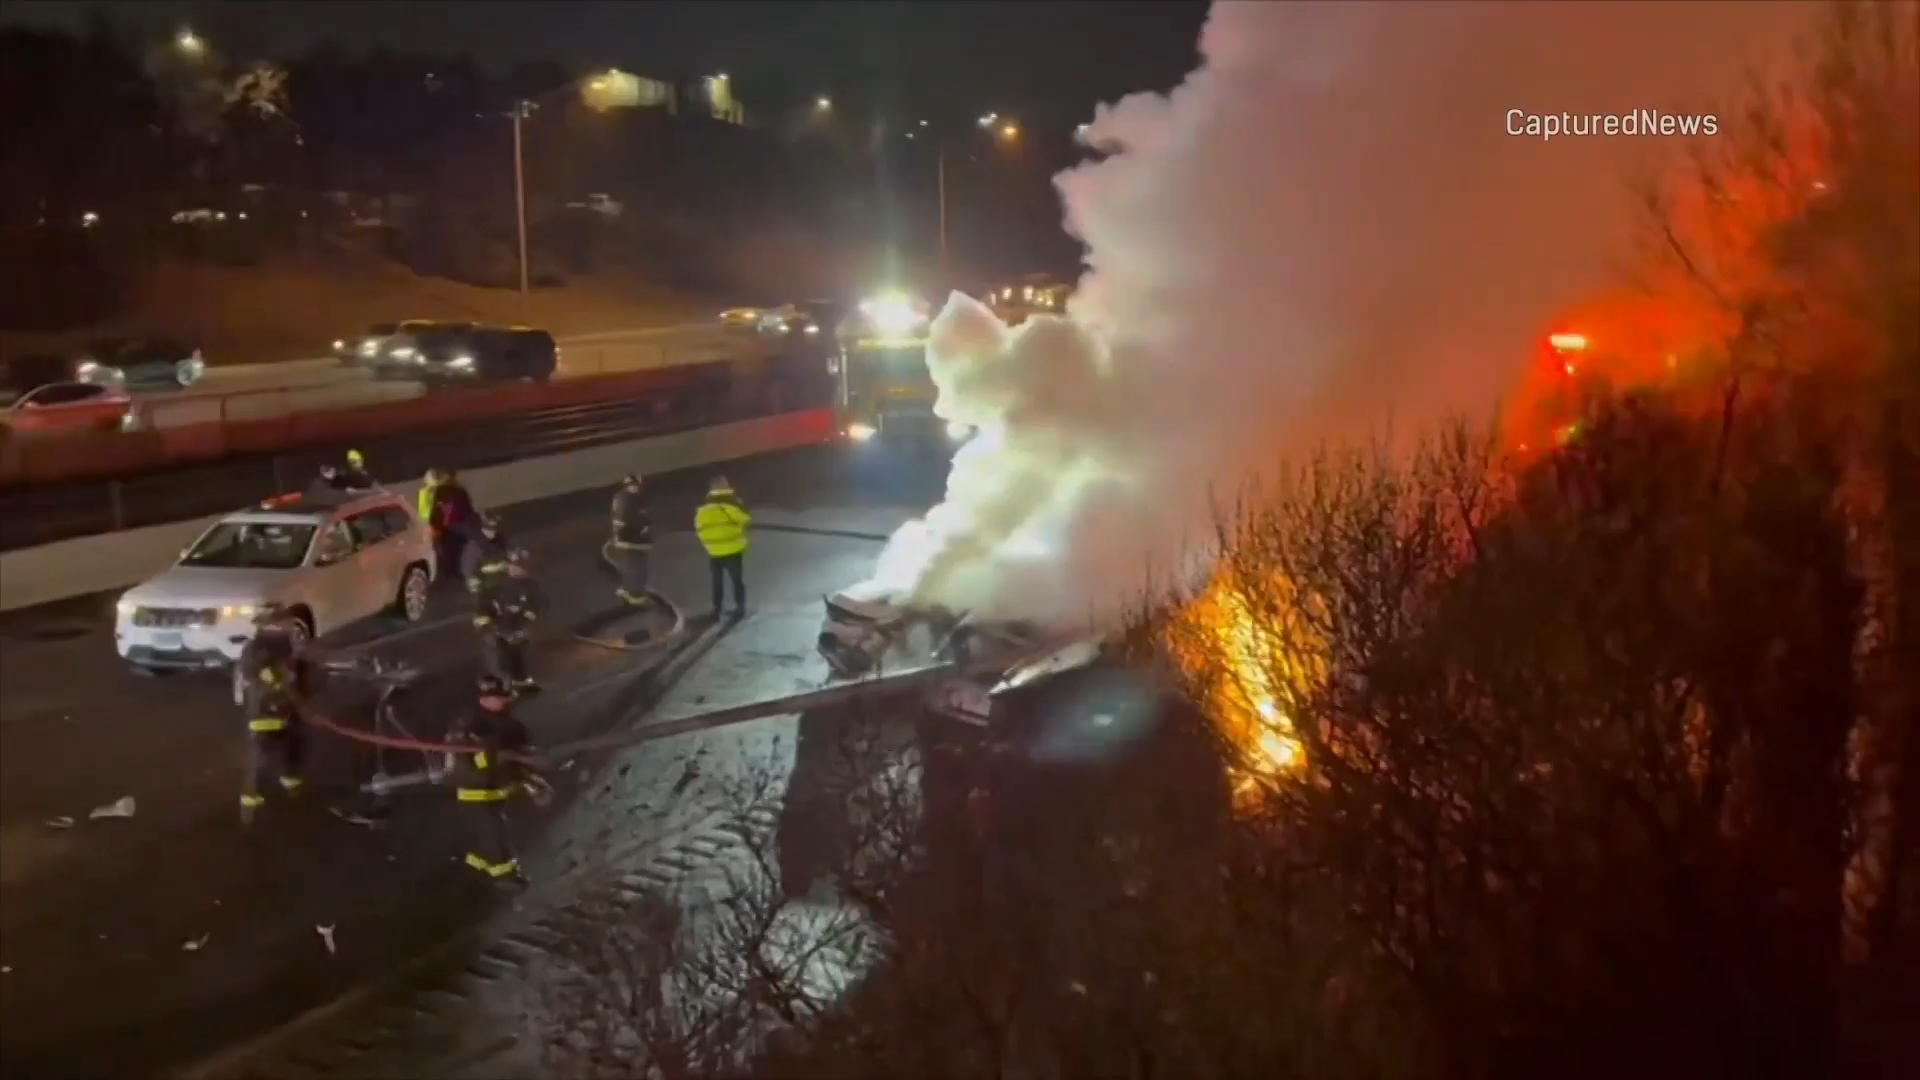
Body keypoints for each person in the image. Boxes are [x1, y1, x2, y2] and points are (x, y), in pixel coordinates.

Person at [448, 674, 535, 886]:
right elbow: (464, 763)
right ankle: (503, 878)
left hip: (499, 790)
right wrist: (494, 758)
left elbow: (522, 751)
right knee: (492, 835)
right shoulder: (469, 726)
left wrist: (529, 776)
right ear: (481, 698)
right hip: (475, 792)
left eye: (501, 697)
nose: (499, 701)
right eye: (493, 697)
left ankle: (473, 868)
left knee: (497, 833)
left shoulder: (512, 724)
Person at [236, 604, 311, 825]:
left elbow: (298, 674)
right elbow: (259, 674)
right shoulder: (257, 649)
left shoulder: (285, 646)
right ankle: (250, 804)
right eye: (279, 622)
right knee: (261, 757)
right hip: (264, 714)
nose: (285, 626)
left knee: (293, 748)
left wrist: (300, 694)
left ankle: (292, 785)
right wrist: (279, 682)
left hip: (287, 712)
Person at [479, 548, 544, 695]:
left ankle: (521, 681)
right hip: (499, 631)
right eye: (514, 566)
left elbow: (535, 607)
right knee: (501, 659)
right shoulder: (497, 585)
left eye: (521, 567)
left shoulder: (531, 588)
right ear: (508, 566)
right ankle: (505, 687)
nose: (517, 570)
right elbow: (484, 605)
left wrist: (523, 628)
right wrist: (490, 625)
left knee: (517, 656)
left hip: (518, 631)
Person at [694, 475, 751, 617]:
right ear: (725, 486)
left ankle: (716, 609)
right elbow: (746, 518)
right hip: (733, 549)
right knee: (737, 580)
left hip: (714, 551)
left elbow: (699, 527)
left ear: (712, 488)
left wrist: (709, 543)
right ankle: (740, 608)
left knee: (717, 582)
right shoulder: (732, 502)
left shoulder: (704, 507)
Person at [609, 473, 654, 607]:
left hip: (635, 536)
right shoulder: (625, 500)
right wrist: (618, 536)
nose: (634, 488)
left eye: (635, 485)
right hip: (632, 537)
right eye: (632, 485)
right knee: (637, 567)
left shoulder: (630, 497)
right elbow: (619, 520)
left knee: (633, 565)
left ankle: (629, 590)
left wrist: (647, 526)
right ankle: (635, 595)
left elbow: (643, 516)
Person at [427, 469, 477, 583]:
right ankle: (455, 572)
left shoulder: (440, 491)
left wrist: (434, 523)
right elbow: (468, 509)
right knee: (457, 550)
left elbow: (436, 510)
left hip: (447, 528)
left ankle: (449, 572)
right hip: (459, 527)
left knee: (448, 550)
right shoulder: (460, 491)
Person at [461, 511, 512, 596]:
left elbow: (507, 557)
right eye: (491, 520)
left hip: (503, 585)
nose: (495, 523)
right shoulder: (474, 547)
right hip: (488, 589)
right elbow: (470, 574)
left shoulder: (500, 539)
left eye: (495, 520)